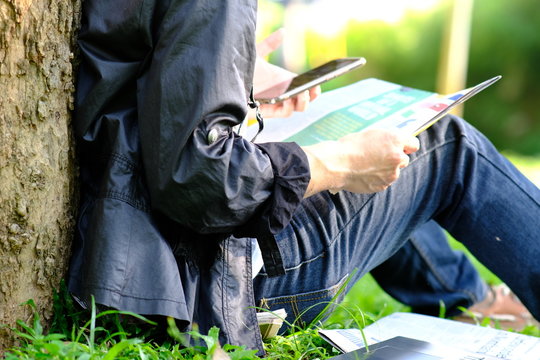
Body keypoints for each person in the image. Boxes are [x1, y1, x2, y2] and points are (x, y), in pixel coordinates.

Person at [68, 0, 540, 355]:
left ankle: (464, 301)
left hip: (136, 259)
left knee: (378, 144)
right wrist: (341, 162)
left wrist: (234, 75)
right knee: (446, 144)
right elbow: (202, 179)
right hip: (208, 291)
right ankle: (466, 298)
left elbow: (144, 92)